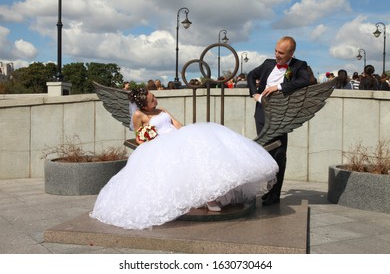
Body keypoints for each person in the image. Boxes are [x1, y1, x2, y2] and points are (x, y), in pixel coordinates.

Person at [90, 87, 279, 229]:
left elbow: (177, 123)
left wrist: (188, 135)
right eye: (151, 99)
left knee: (203, 152)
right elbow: (140, 136)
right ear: (142, 104)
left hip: (177, 137)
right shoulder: (139, 115)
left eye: (154, 97)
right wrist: (149, 138)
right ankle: (207, 200)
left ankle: (211, 196)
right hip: (159, 144)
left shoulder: (161, 109)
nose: (155, 100)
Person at [247, 36, 310, 206]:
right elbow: (250, 75)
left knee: (279, 154)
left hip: (282, 115)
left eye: (281, 53)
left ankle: (274, 194)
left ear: (291, 53)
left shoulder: (299, 66)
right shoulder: (267, 64)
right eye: (276, 51)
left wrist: (279, 87)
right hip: (261, 113)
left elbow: (306, 80)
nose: (277, 55)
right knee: (265, 152)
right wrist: (255, 94)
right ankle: (266, 190)